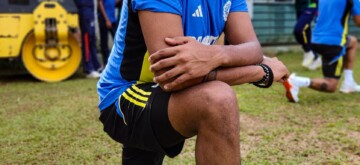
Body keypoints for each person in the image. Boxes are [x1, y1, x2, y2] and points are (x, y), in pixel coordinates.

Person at [97, 0, 289, 164]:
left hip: (166, 93)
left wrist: (215, 55)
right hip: (126, 94)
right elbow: (173, 77)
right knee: (218, 99)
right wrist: (261, 72)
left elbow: (253, 49)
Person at [285, 0, 360, 103]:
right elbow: (358, 21)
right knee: (331, 85)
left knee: (353, 42)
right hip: (334, 43)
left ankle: (349, 82)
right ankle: (297, 81)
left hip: (316, 40)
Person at [74, 0, 102, 78]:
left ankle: (97, 66)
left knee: (92, 39)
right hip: (84, 11)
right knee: (87, 38)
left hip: (91, 10)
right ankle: (89, 68)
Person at [294, 0, 320, 70]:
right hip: (299, 7)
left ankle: (308, 51)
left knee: (299, 30)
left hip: (311, 6)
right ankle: (316, 58)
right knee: (306, 32)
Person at [97, 0, 117, 66]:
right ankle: (106, 64)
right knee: (104, 43)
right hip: (104, 19)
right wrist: (107, 20)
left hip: (113, 18)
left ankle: (115, 62)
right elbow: (100, 3)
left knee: (117, 41)